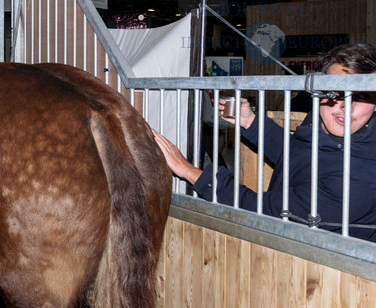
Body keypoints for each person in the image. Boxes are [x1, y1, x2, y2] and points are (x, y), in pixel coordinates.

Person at [153, 43, 376, 242]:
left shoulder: (361, 177)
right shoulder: (321, 121)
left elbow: (264, 210)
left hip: (329, 276)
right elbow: (296, 155)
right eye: (336, 90)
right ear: (318, 91)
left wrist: (188, 171)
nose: (346, 106)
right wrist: (250, 121)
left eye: (363, 95)